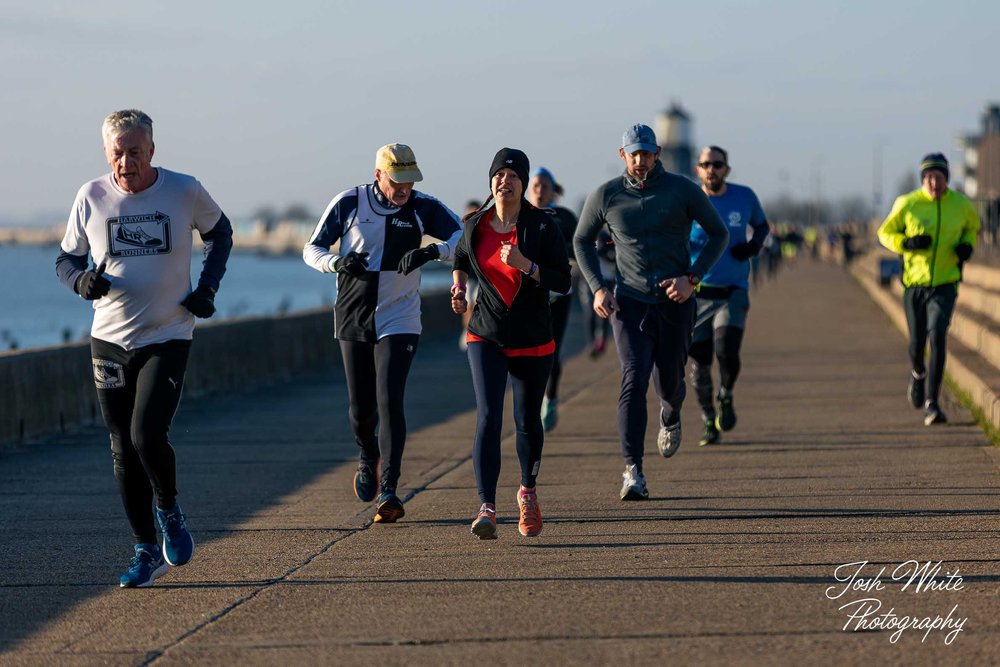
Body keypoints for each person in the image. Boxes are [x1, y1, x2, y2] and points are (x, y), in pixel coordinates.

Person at [55, 109, 233, 588]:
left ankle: (169, 510)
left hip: (167, 334)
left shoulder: (184, 190)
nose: (126, 162)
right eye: (117, 153)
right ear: (106, 154)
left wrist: (208, 288)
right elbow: (66, 260)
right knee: (120, 447)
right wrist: (82, 281)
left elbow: (220, 233)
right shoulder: (90, 196)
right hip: (108, 341)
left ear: (152, 150)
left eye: (135, 152)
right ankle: (143, 550)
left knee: (146, 436)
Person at [303, 144, 461, 522]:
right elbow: (312, 249)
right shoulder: (349, 202)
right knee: (361, 410)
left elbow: (466, 238)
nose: (404, 188)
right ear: (379, 175)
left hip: (400, 317)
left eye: (410, 180)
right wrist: (338, 262)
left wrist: (432, 252)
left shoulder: (424, 207)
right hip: (354, 315)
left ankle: (389, 489)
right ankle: (366, 454)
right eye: (397, 180)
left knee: (390, 400)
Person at [573, 124, 728, 501]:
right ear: (622, 154)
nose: (640, 161)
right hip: (628, 301)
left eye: (647, 153)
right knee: (633, 377)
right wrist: (597, 287)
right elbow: (581, 240)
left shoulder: (682, 190)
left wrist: (692, 278)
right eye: (634, 154)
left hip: (675, 301)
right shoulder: (606, 195)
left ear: (658, 152)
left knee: (670, 383)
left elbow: (718, 233)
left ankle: (671, 414)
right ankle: (633, 470)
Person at [451, 148, 571, 540]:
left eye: (513, 176)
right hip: (486, 333)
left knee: (526, 421)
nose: (505, 181)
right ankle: (486, 506)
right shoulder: (475, 225)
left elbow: (563, 280)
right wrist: (457, 286)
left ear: (523, 185)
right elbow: (462, 256)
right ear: (491, 182)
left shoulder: (542, 227)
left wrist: (527, 266)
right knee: (487, 416)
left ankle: (527, 492)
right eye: (499, 175)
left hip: (533, 337)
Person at [877, 153, 980, 425]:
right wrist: (906, 243)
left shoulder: (960, 205)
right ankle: (917, 373)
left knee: (938, 337)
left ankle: (933, 403)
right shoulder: (908, 204)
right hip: (914, 284)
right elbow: (884, 233)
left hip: (945, 282)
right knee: (916, 344)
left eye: (939, 177)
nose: (934, 183)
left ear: (947, 178)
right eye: (929, 177)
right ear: (923, 179)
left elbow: (973, 227)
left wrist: (966, 246)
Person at [688, 146, 769, 446]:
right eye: (706, 164)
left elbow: (762, 226)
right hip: (697, 293)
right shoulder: (689, 201)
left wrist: (752, 247)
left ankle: (727, 393)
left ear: (727, 169)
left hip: (733, 290)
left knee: (726, 351)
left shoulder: (744, 196)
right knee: (699, 361)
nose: (712, 169)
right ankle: (708, 418)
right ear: (698, 170)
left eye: (717, 164)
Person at [526, 167, 578, 431]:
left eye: (545, 186)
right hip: (526, 296)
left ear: (552, 190)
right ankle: (530, 401)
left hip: (558, 295)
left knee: (551, 352)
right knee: (526, 352)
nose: (539, 190)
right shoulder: (517, 214)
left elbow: (582, 246)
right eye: (535, 185)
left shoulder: (565, 218)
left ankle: (551, 398)